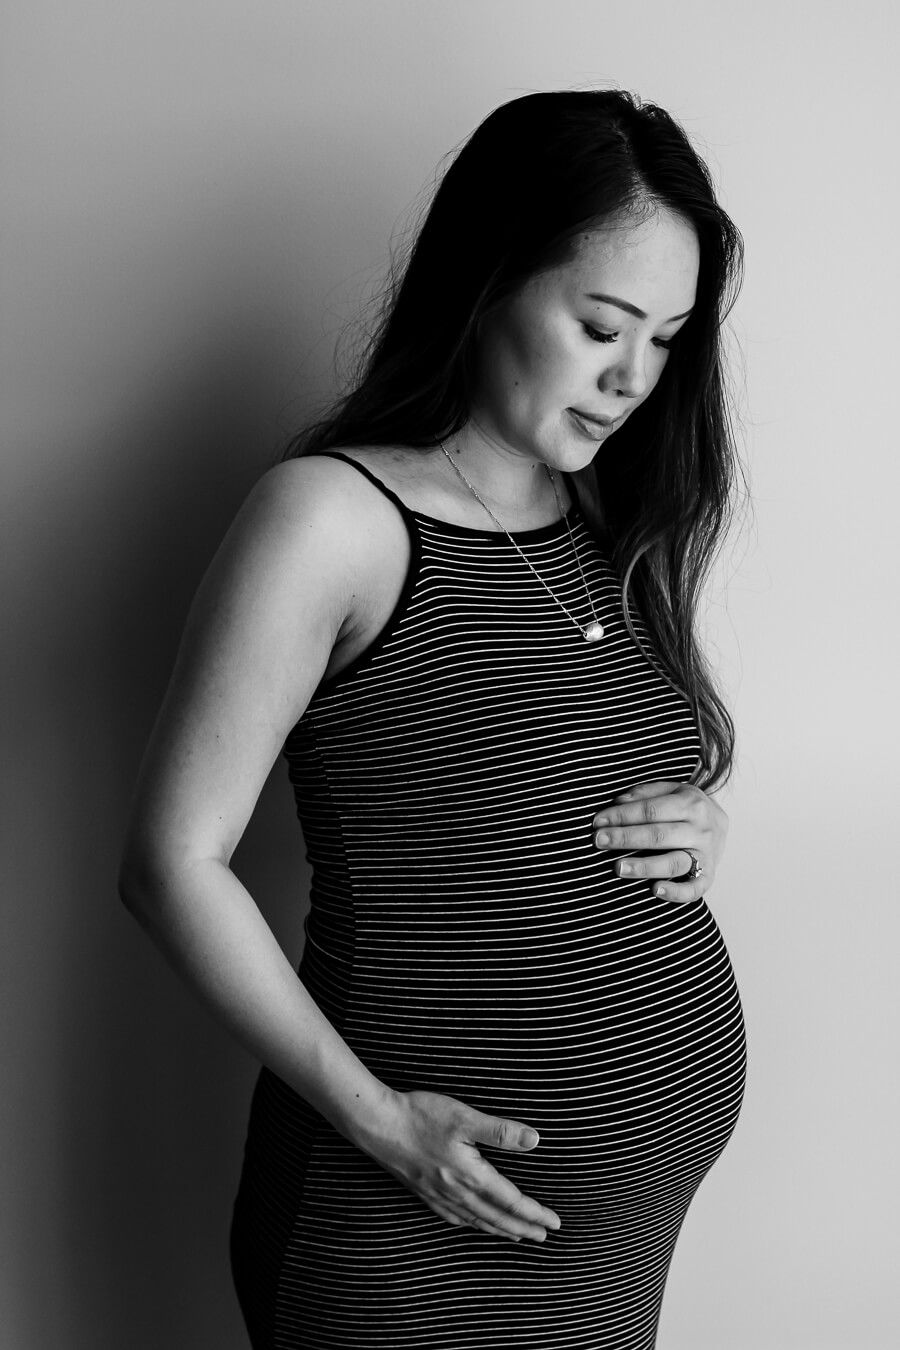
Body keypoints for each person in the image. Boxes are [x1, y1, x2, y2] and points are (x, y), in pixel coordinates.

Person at [118, 88, 748, 1349]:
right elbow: (168, 867)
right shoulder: (332, 522)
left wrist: (702, 827)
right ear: (489, 281)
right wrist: (384, 1125)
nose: (633, 378)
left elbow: (550, 779)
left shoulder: (606, 519)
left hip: (614, 1230)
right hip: (408, 1226)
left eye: (668, 339)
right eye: (600, 326)